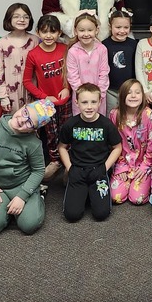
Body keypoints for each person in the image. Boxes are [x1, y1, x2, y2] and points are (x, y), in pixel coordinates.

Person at [0, 99, 54, 235]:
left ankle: (38, 196)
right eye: (25, 113)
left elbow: (38, 170)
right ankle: (9, 210)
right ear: (23, 107)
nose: (23, 120)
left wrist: (22, 196)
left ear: (34, 129)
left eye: (29, 122)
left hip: (21, 185)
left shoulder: (33, 143)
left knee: (29, 225)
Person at [58, 83, 123, 222]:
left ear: (100, 102)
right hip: (77, 170)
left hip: (98, 170)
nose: (89, 107)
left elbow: (117, 148)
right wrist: (69, 168)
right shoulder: (71, 124)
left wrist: (105, 168)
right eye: (84, 102)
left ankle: (90, 193)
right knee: (72, 216)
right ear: (77, 102)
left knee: (101, 214)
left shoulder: (106, 125)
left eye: (93, 102)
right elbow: (62, 147)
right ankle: (82, 193)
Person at [22, 15, 71, 183]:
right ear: (38, 32)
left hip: (66, 101)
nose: (49, 36)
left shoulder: (65, 49)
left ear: (59, 33)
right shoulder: (33, 54)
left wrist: (67, 88)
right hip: (46, 104)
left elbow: (72, 72)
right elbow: (27, 81)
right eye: (44, 32)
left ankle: (69, 164)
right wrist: (44, 97)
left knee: (67, 132)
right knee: (51, 134)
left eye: (53, 32)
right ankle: (55, 161)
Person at [108, 79, 152, 205]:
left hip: (143, 163)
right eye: (129, 93)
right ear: (122, 95)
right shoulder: (115, 114)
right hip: (123, 162)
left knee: (137, 199)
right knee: (115, 197)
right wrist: (120, 166)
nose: (133, 96)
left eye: (137, 92)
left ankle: (146, 183)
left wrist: (145, 165)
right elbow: (113, 143)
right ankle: (127, 181)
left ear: (142, 96)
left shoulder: (149, 115)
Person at [0, 2, 37, 115]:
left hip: (33, 91)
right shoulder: (2, 43)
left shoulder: (35, 41)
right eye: (16, 16)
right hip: (10, 93)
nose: (21, 20)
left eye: (25, 17)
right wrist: (3, 97)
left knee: (33, 121)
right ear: (9, 19)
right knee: (15, 123)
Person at [66, 12, 109, 116]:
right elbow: (73, 77)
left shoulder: (102, 49)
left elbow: (104, 73)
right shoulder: (73, 51)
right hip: (80, 100)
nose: (86, 34)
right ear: (75, 31)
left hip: (99, 99)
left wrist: (99, 96)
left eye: (90, 30)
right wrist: (82, 97)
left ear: (96, 30)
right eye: (81, 30)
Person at [103, 9, 137, 113]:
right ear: (110, 27)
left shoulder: (134, 44)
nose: (122, 31)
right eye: (118, 27)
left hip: (130, 91)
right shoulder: (104, 45)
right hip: (111, 91)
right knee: (112, 114)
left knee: (129, 114)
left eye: (126, 27)